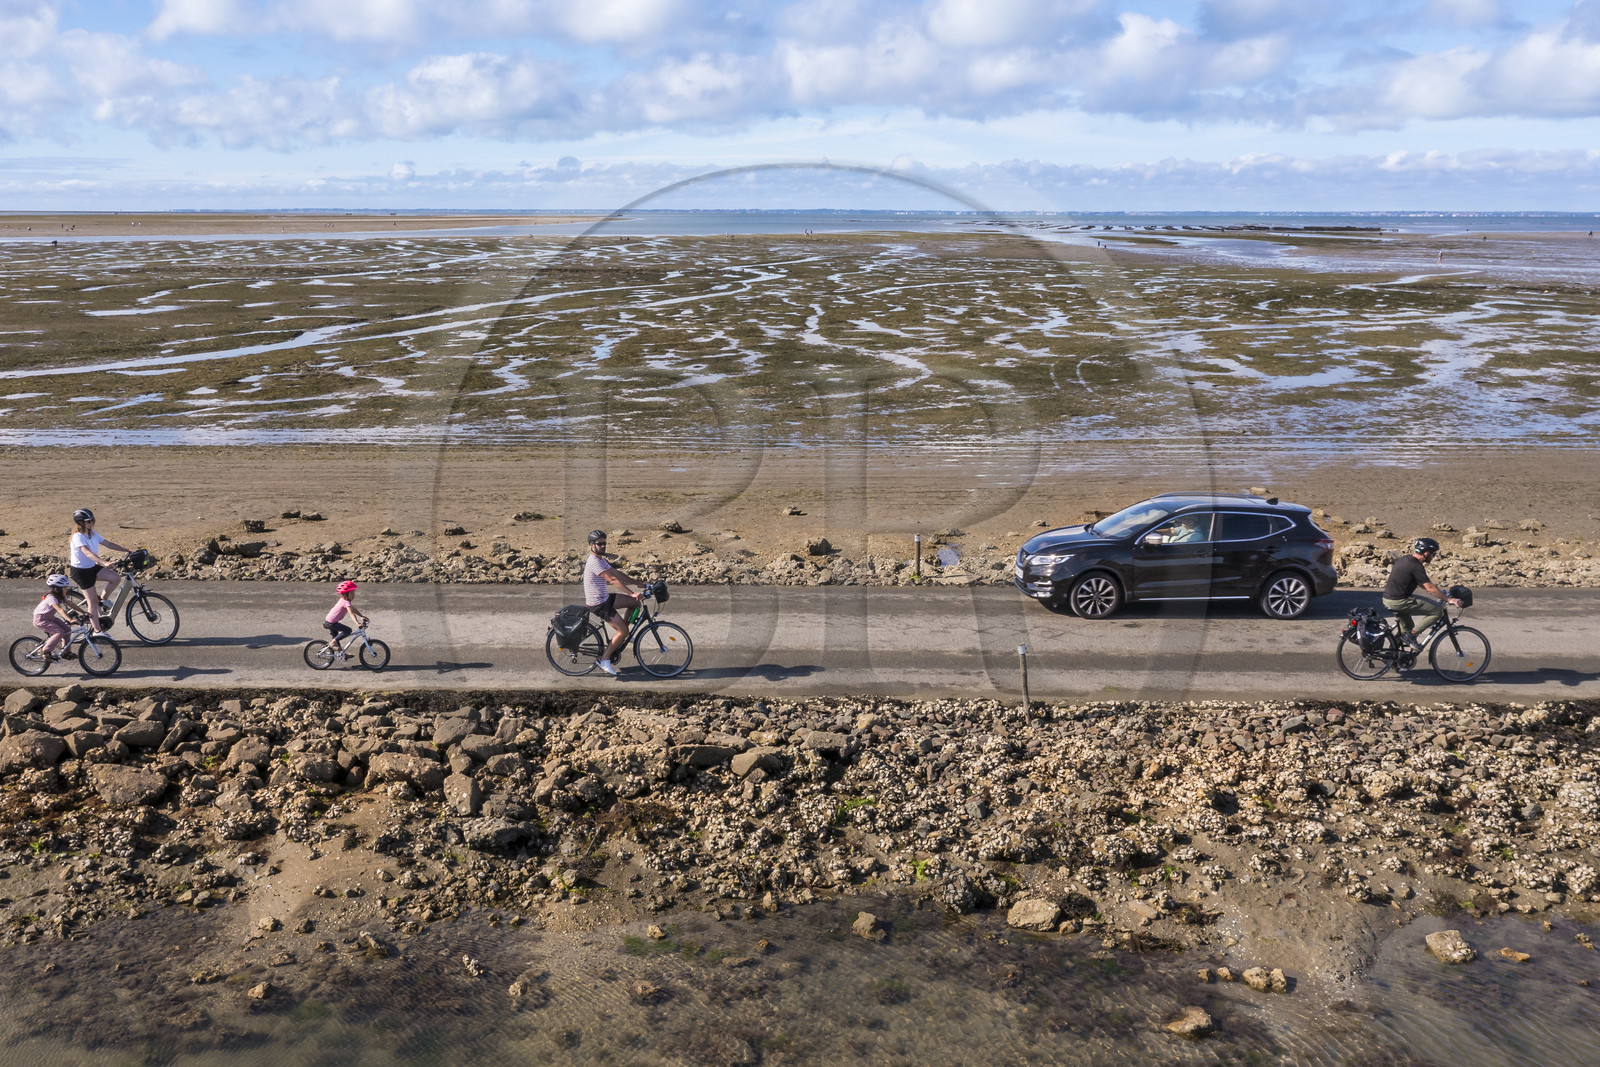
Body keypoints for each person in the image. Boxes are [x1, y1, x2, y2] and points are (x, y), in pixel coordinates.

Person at [1382, 537, 1461, 648]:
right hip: (1398, 601)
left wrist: (1437, 592)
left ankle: (1394, 656)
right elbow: (1429, 588)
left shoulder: (1405, 559)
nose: (1434, 557)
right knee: (1437, 611)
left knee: (1408, 626)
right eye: (1433, 554)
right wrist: (1449, 599)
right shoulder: (1416, 566)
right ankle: (1411, 636)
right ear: (1426, 553)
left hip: (1388, 598)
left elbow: (1424, 584)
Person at [583, 529, 642, 677]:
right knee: (623, 630)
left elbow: (617, 574)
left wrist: (638, 583)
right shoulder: (593, 562)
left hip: (605, 598)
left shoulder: (601, 560)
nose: (603, 546)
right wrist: (631, 592)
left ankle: (621, 636)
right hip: (599, 603)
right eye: (600, 544)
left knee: (635, 603)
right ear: (591, 544)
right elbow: (613, 580)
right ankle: (604, 659)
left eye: (604, 543)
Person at [68, 508, 129, 635]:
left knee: (115, 578)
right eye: (88, 521)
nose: (91, 523)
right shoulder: (77, 536)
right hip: (80, 572)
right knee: (92, 602)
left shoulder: (92, 533)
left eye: (92, 520)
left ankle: (102, 600)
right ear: (80, 523)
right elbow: (86, 552)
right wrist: (104, 563)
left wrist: (128, 550)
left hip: (91, 567)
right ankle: (97, 631)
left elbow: (108, 543)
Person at [31, 574, 81, 663]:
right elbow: (60, 610)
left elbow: (71, 604)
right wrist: (70, 620)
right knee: (59, 632)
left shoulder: (61, 596)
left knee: (67, 629)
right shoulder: (51, 598)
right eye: (64, 587)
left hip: (50, 618)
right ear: (57, 589)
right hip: (41, 619)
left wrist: (85, 612)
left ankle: (66, 652)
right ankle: (45, 650)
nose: (66, 589)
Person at [324, 580, 368, 655]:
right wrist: (358, 623)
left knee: (337, 641)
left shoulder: (344, 600)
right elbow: (351, 613)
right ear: (345, 594)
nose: (353, 595)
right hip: (331, 623)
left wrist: (361, 616)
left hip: (330, 621)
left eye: (354, 593)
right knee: (348, 630)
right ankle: (332, 643)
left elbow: (353, 609)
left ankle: (342, 655)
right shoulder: (346, 602)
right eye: (351, 593)